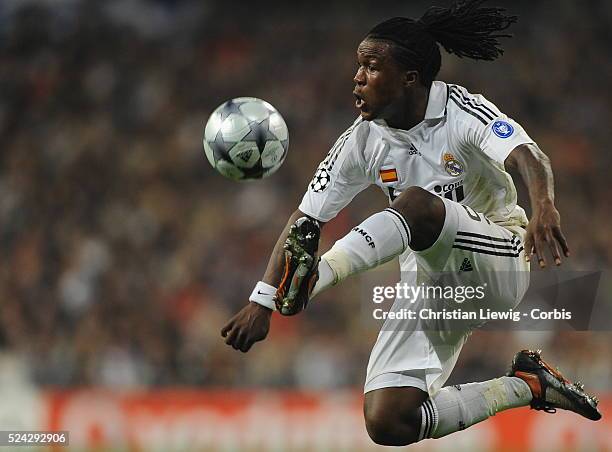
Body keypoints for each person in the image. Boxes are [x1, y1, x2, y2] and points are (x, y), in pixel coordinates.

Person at [221, 0, 601, 445]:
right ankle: (529, 384)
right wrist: (262, 300)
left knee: (417, 204)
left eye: (371, 66)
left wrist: (544, 208)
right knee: (389, 422)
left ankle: (313, 279)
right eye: (358, 66)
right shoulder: (361, 140)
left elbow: (527, 154)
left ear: (410, 78)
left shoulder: (462, 112)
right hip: (427, 285)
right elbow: (306, 217)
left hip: (496, 258)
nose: (357, 77)